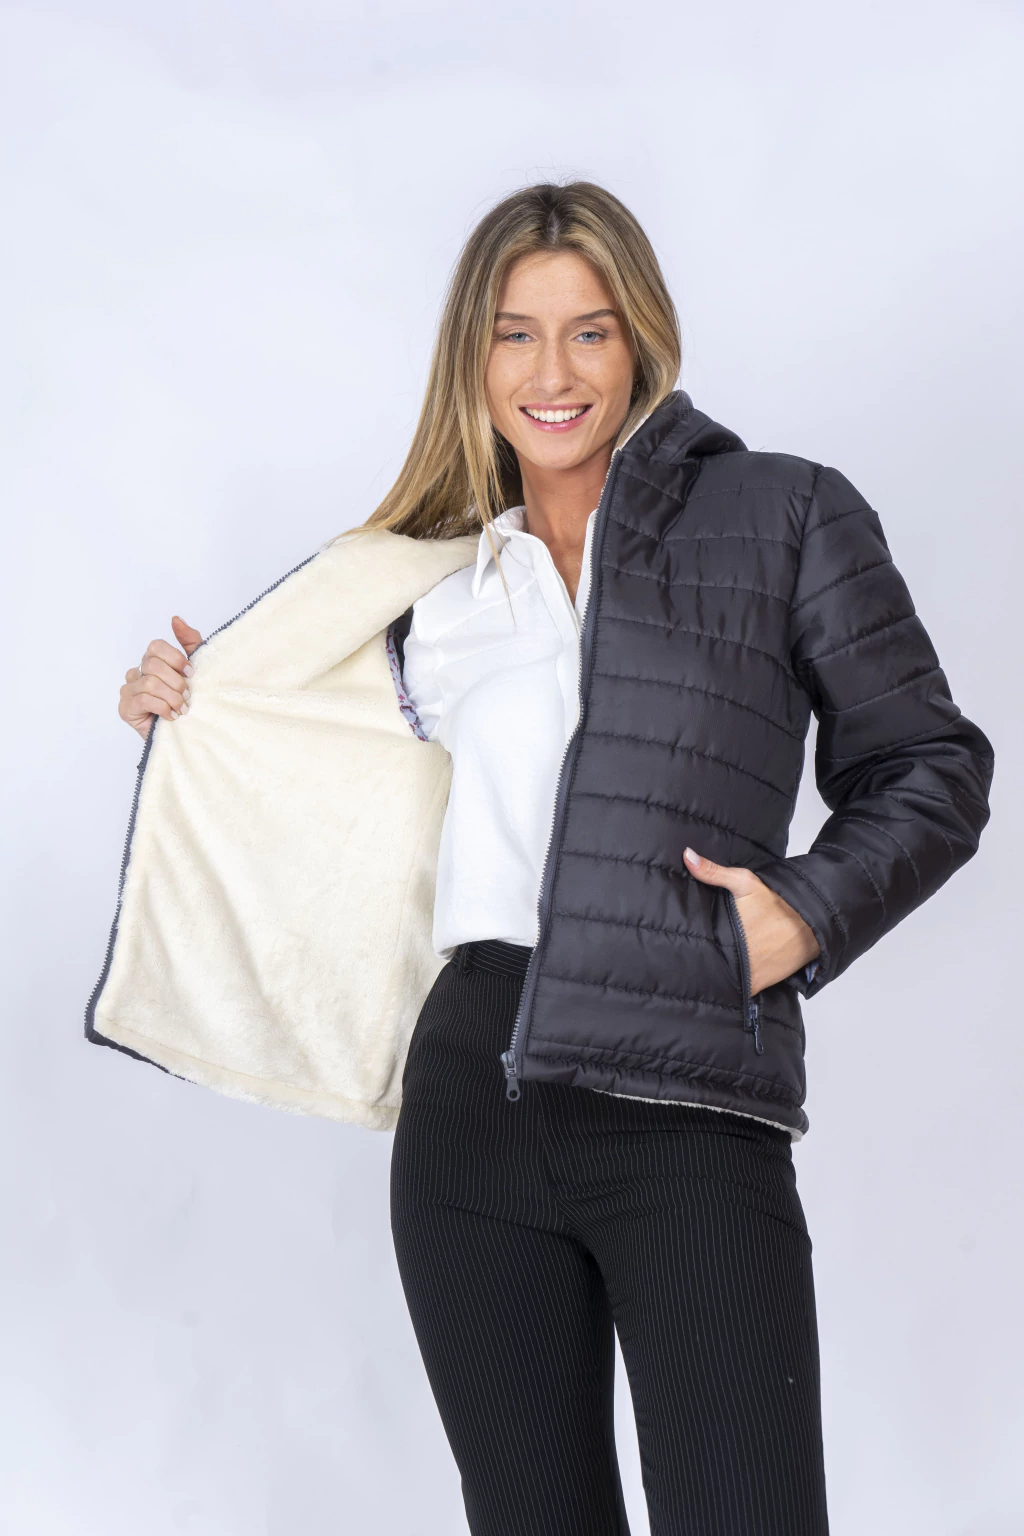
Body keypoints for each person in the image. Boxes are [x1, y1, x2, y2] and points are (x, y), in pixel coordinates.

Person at [103, 182, 993, 1535]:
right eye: (515, 334)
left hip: (687, 1096)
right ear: (474, 359)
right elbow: (298, 753)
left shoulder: (785, 515)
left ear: (642, 339)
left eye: (590, 331)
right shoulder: (436, 592)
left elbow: (931, 766)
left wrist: (801, 917)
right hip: (474, 1098)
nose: (553, 372)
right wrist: (189, 699)